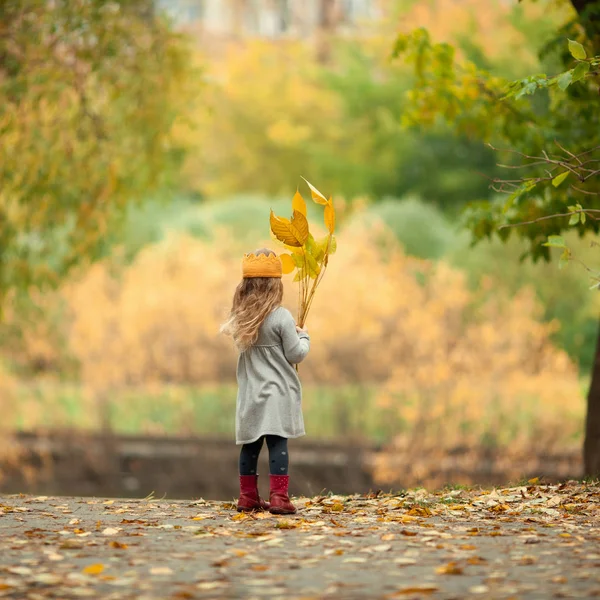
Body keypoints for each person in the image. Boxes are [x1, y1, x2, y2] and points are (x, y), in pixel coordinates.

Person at [221, 248, 310, 515]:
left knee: (250, 446)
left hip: (250, 393)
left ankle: (247, 497)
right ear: (275, 286)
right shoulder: (281, 317)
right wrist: (304, 336)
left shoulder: (241, 318)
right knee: (277, 444)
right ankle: (279, 498)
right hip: (277, 393)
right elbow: (296, 353)